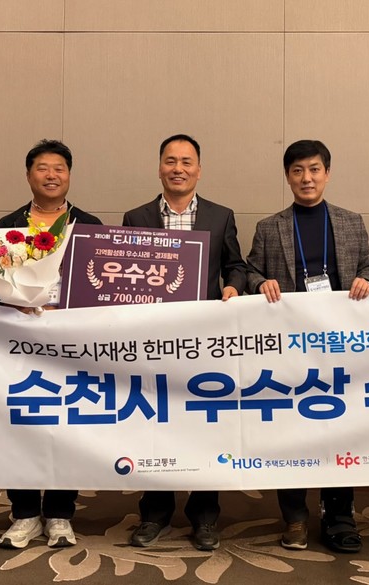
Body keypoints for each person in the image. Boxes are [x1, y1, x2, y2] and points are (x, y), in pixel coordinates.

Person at [246, 139, 369, 553]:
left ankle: (339, 517)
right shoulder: (270, 228)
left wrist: (367, 279)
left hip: (339, 345)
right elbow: (250, 272)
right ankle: (296, 519)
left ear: (327, 174)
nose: (307, 178)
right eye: (298, 170)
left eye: (315, 169)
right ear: (288, 177)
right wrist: (260, 283)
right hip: (288, 347)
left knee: (340, 428)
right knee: (290, 431)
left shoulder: (351, 222)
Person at [123, 134, 248, 551]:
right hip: (154, 341)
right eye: (171, 161)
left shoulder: (220, 216)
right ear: (159, 168)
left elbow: (235, 265)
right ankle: (155, 513)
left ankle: (205, 516)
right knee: (155, 423)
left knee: (204, 425)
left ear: (199, 169)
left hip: (203, 340)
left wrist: (232, 287)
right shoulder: (136, 217)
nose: (178, 168)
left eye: (187, 161)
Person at [0, 139, 102, 549]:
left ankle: (60, 513)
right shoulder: (7, 226)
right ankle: (23, 513)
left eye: (59, 168)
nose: (51, 175)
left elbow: (102, 289)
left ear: (69, 175)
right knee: (20, 425)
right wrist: (14, 303)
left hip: (71, 346)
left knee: (68, 426)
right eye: (42, 168)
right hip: (20, 343)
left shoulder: (89, 225)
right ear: (28, 175)